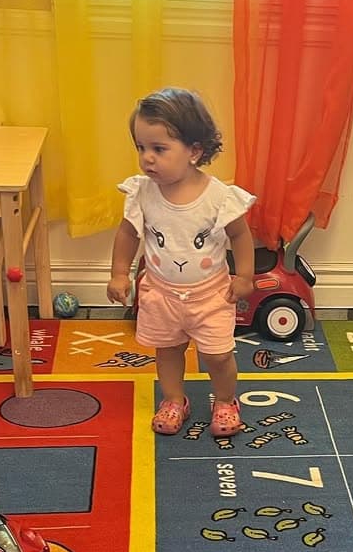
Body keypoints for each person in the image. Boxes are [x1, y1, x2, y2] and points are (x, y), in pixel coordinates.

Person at [107, 88, 255, 437]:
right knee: (168, 351)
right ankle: (174, 400)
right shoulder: (142, 192)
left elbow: (241, 236)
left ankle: (224, 400)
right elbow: (128, 234)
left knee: (218, 355)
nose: (147, 159)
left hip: (211, 295)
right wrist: (118, 273)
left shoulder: (218, 197)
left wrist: (245, 276)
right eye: (141, 148)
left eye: (159, 149)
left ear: (194, 151)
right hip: (161, 292)